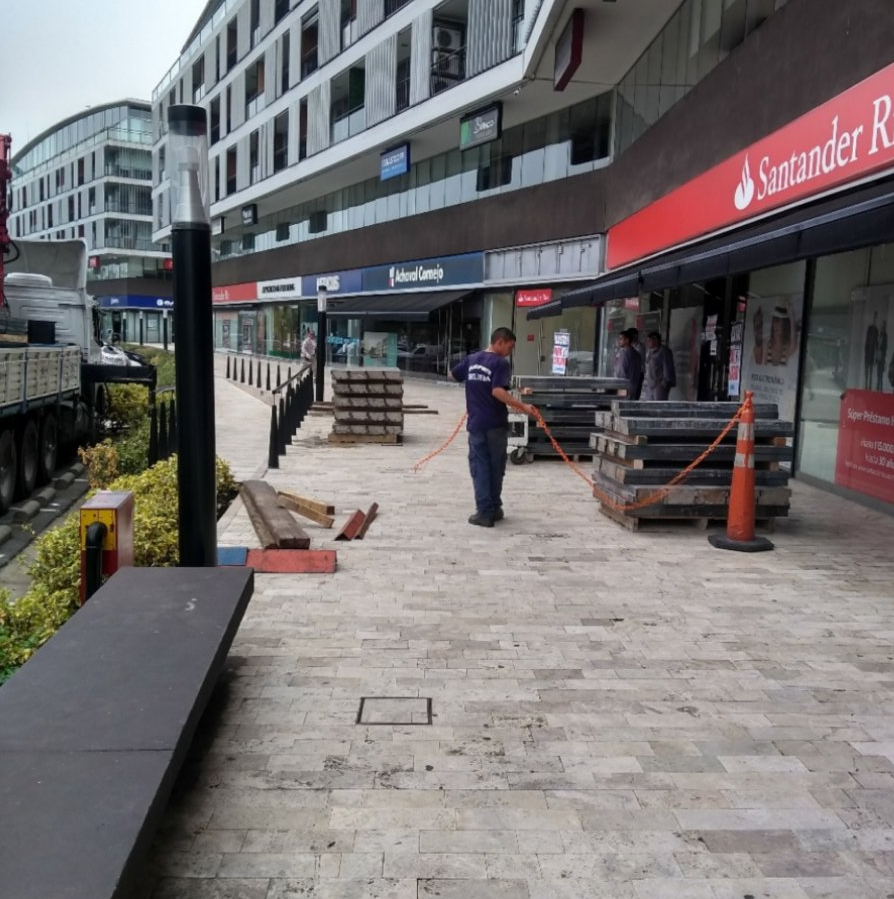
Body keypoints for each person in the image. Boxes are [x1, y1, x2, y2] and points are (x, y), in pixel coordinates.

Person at [449, 327, 537, 528]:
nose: (510, 351)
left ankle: (487, 511)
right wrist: (523, 406)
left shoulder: (472, 360)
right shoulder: (500, 363)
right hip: (496, 424)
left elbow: (452, 375)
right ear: (499, 341)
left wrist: (474, 387)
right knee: (495, 467)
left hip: (478, 424)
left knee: (481, 468)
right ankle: (491, 510)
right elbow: (498, 391)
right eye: (510, 346)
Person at [642, 331, 676, 400]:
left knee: (658, 405)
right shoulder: (650, 351)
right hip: (650, 384)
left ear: (656, 340)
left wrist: (664, 382)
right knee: (649, 406)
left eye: (649, 340)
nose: (647, 342)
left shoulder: (664, 351)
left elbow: (667, 367)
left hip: (659, 384)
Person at [613, 329, 642, 399]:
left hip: (623, 386)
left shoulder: (624, 354)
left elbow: (620, 372)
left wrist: (616, 385)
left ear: (627, 340)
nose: (618, 341)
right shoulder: (637, 354)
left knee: (621, 406)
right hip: (633, 386)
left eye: (621, 339)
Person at [627, 327, 646, 399]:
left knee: (635, 394)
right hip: (630, 373)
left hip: (638, 373)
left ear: (635, 336)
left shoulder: (640, 347)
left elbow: (636, 361)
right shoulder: (629, 346)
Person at [865, 311, 878, 390]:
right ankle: (867, 384)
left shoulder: (876, 330)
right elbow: (867, 340)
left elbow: (876, 343)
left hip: (872, 351)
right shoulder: (870, 328)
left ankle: (869, 385)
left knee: (870, 369)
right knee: (867, 368)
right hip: (868, 351)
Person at [876, 319, 887, 392]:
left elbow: (884, 347)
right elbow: (877, 346)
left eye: (883, 326)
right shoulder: (880, 335)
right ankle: (878, 389)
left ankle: (880, 389)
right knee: (878, 374)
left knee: (880, 375)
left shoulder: (885, 336)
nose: (882, 327)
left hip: (882, 357)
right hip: (879, 357)